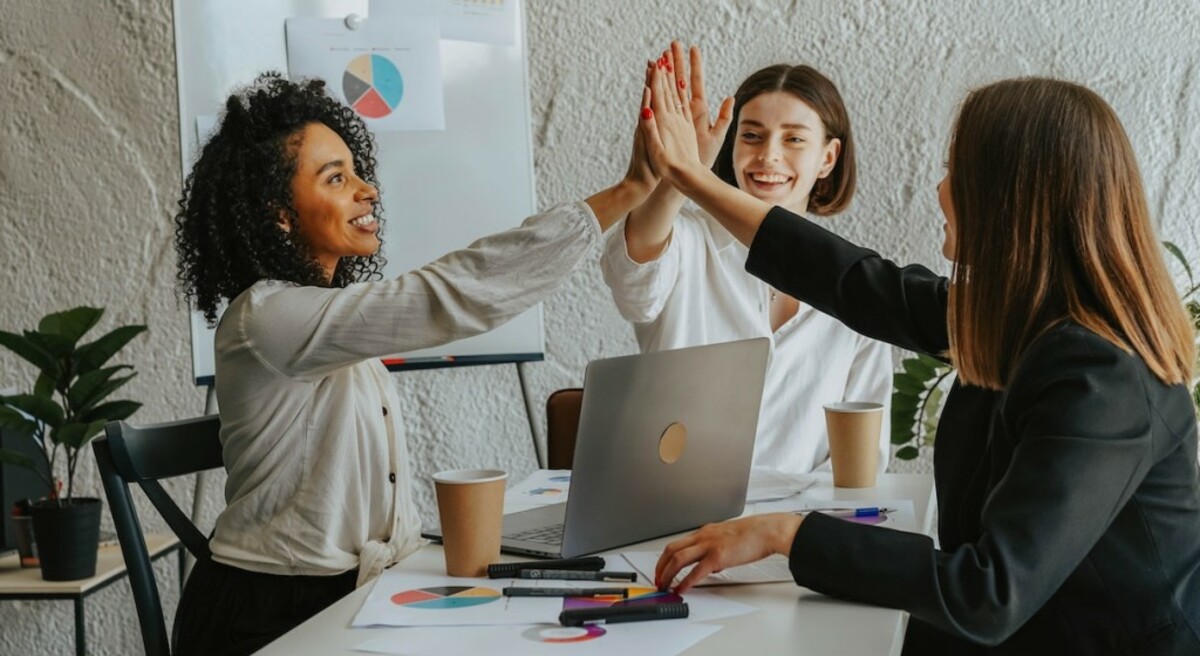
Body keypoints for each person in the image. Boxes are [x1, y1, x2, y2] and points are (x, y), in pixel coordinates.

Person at [640, 57, 1200, 653]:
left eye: (955, 171)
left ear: (1012, 199)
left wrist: (788, 534)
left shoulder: (1101, 376)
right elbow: (852, 280)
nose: (939, 190)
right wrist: (692, 179)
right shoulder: (1019, 320)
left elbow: (986, 593)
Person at [170, 72, 657, 656]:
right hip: (267, 616)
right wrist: (629, 189)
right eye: (336, 178)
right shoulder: (268, 316)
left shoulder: (326, 323)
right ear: (279, 215)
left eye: (357, 170)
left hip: (343, 596)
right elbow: (446, 295)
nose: (367, 189)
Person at [601, 43, 892, 475]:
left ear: (828, 158)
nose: (768, 155)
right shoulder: (687, 241)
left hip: (795, 529)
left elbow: (862, 459)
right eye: (751, 135)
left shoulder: (857, 282)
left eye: (793, 138)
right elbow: (631, 277)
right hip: (674, 518)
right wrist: (683, 173)